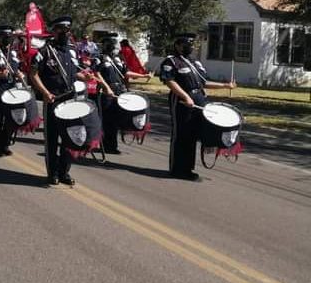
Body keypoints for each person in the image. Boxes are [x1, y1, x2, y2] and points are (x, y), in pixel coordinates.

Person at [30, 16, 98, 186]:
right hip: (53, 99)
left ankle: (64, 171)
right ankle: (52, 173)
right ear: (54, 31)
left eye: (68, 29)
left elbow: (75, 73)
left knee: (71, 136)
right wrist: (45, 92)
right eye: (62, 29)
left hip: (70, 98)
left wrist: (85, 76)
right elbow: (33, 73)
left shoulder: (72, 50)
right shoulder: (44, 51)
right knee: (52, 139)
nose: (66, 32)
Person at [160, 33, 236, 181]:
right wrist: (185, 96)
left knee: (193, 135)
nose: (190, 47)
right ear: (178, 46)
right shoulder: (171, 61)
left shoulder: (195, 63)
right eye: (186, 44)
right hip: (182, 101)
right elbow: (169, 81)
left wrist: (225, 85)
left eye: (191, 44)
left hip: (199, 99)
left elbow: (204, 82)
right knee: (181, 135)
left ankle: (187, 169)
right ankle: (177, 169)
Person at [93, 34, 151, 154]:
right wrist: (106, 87)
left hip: (119, 91)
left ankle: (112, 146)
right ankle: (105, 145)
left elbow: (126, 73)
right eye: (111, 44)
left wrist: (143, 76)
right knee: (106, 120)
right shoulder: (99, 58)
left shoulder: (118, 59)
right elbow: (97, 74)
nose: (114, 47)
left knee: (115, 119)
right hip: (106, 92)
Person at [0, 25, 25, 157]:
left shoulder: (13, 53)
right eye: (5, 38)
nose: (8, 40)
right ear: (0, 38)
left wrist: (19, 74)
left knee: (10, 118)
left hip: (12, 88)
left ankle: (5, 143)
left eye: (10, 37)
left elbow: (17, 69)